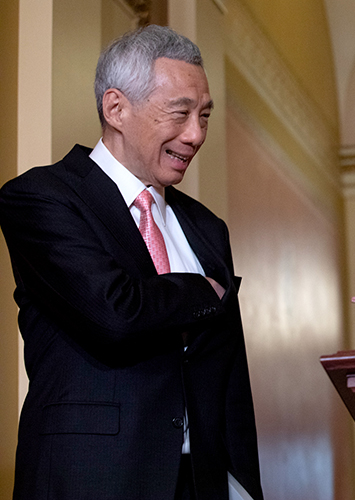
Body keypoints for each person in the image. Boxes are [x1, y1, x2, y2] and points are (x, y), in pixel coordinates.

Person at [0, 26, 263, 500]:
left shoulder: (206, 227)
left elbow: (227, 380)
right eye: (180, 114)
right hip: (91, 479)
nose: (196, 134)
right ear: (116, 108)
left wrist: (242, 483)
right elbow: (114, 313)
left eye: (204, 116)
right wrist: (202, 291)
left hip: (200, 483)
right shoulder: (43, 198)